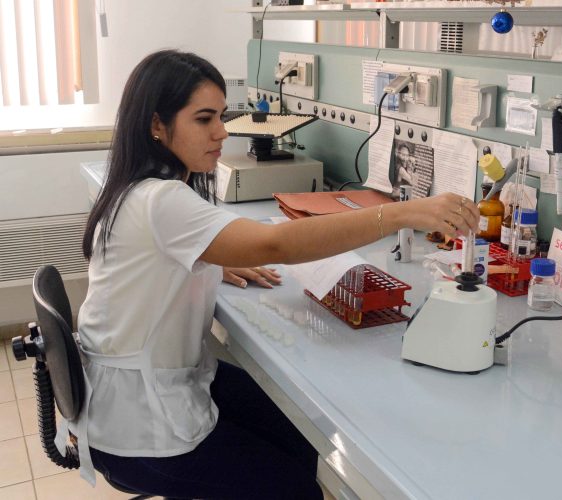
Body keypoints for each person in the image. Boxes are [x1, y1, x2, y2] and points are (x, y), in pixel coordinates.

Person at [73, 50, 478, 499]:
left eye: (222, 116)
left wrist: (211, 258)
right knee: (296, 488)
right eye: (204, 119)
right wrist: (402, 213)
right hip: (140, 428)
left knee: (298, 437)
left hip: (148, 385)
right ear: (156, 125)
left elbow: (158, 259)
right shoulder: (160, 200)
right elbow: (277, 245)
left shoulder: (142, 187)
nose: (221, 132)